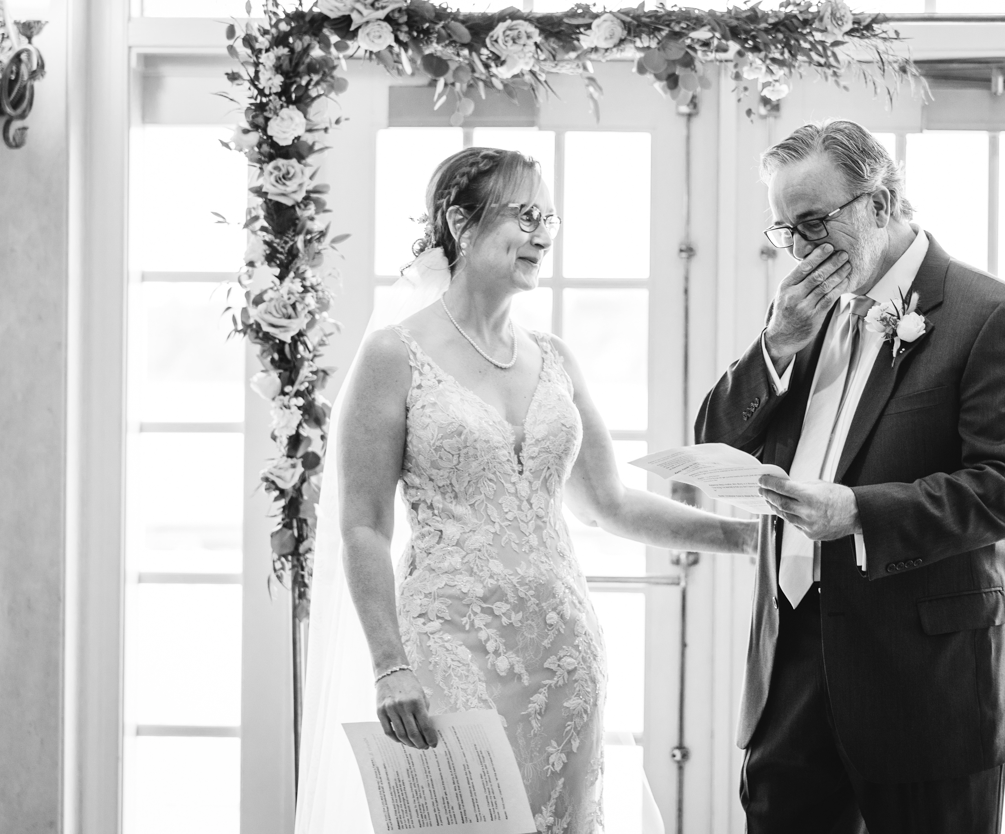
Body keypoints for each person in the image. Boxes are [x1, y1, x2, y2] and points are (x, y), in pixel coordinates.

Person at [297, 147, 755, 834]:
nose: (545, 232)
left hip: (563, 653)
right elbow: (363, 525)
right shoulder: (394, 354)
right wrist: (390, 664)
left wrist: (745, 534)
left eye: (552, 217)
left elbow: (611, 503)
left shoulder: (556, 358)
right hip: (445, 645)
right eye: (526, 214)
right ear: (461, 222)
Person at [695, 120, 1005, 833]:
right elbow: (715, 440)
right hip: (791, 669)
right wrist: (776, 343)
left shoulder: (991, 315)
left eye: (813, 222)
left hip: (927, 683)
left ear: (881, 203)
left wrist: (858, 511)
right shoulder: (803, 314)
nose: (799, 250)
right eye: (784, 231)